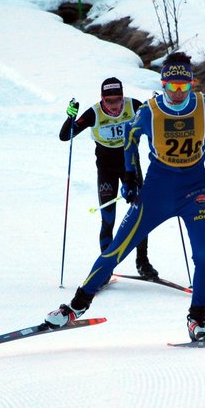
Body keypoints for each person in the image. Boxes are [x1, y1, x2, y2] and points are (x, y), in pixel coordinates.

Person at [46, 52, 205, 341]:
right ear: (163, 84)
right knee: (115, 251)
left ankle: (198, 320)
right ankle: (76, 306)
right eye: (172, 87)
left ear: (192, 84)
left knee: (204, 256)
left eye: (184, 87)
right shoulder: (149, 111)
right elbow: (130, 139)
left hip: (195, 191)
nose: (177, 93)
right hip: (157, 193)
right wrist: (131, 177)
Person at [60, 77, 158, 280]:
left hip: (131, 166)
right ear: (102, 99)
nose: (114, 106)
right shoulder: (93, 113)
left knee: (141, 214)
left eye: (118, 100)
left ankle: (143, 262)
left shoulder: (134, 106)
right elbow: (65, 136)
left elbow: (157, 124)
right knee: (108, 218)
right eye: (109, 101)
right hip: (106, 169)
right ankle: (105, 269)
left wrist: (157, 106)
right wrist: (71, 117)